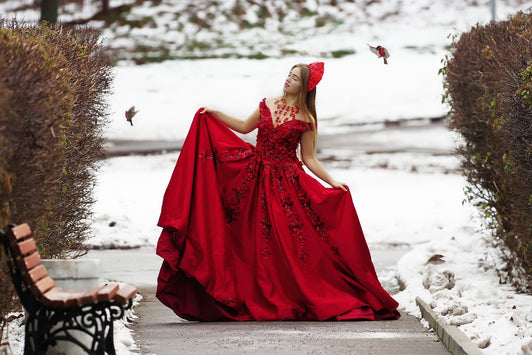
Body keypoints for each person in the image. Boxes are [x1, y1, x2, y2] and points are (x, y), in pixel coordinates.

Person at [156, 62, 401, 321]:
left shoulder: (306, 119)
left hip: (287, 184)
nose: (287, 80)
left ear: (304, 87)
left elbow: (309, 158)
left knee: (289, 244)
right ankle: (242, 292)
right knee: (246, 237)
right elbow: (243, 126)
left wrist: (331, 181)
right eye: (288, 75)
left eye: (294, 78)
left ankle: (291, 292)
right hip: (254, 177)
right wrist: (215, 113)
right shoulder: (267, 104)